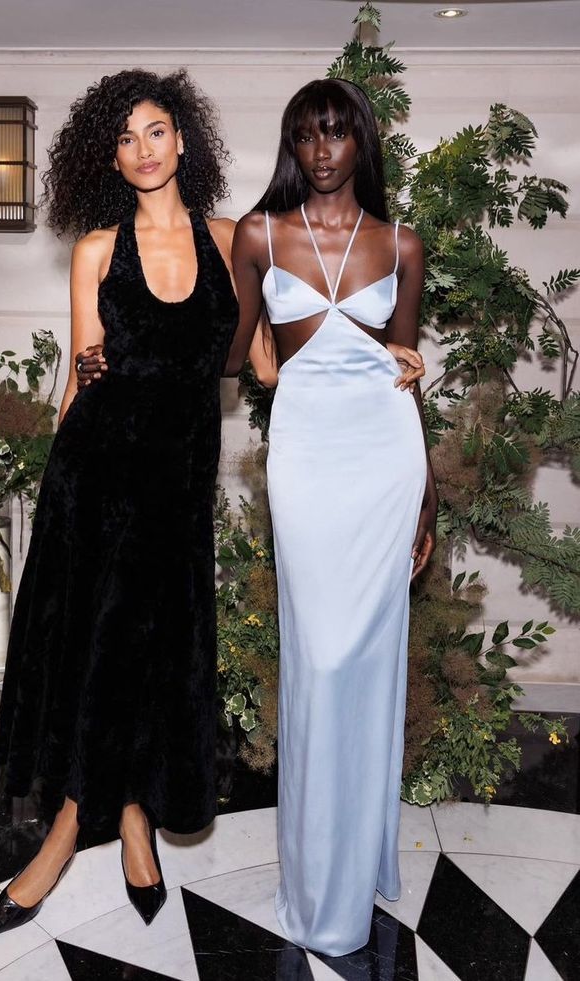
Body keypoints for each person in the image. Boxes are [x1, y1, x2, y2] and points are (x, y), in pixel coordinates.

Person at [0, 68, 239, 940]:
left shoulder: (230, 239)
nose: (142, 149)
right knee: (100, 656)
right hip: (97, 485)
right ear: (109, 154)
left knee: (156, 654)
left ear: (184, 139)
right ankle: (67, 832)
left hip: (179, 493)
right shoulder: (98, 249)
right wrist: (55, 501)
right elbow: (79, 376)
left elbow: (261, 360)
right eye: (124, 137)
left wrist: (386, 352)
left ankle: (132, 814)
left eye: (156, 130)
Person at [224, 77, 437, 956]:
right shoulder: (258, 233)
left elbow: (407, 370)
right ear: (291, 145)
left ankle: (355, 861)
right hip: (307, 459)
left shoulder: (401, 244)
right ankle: (316, 881)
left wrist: (429, 500)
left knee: (369, 657)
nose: (321, 151)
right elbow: (235, 351)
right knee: (320, 654)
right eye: (306, 135)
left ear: (361, 145)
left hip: (385, 459)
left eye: (337, 134)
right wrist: (266, 363)